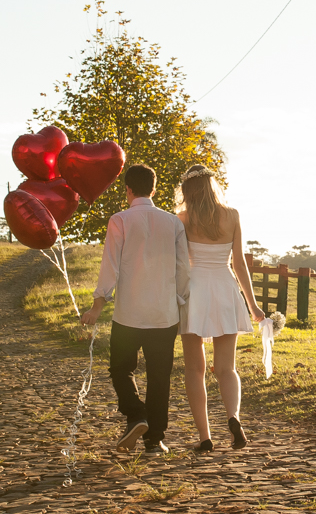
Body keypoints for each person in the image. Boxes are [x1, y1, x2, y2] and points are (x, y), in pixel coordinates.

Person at [80, 164, 190, 456]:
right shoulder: (173, 223)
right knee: (159, 377)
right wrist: (178, 302)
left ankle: (136, 414)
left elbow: (110, 267)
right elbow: (183, 269)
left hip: (128, 315)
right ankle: (155, 440)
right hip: (164, 315)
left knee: (120, 369)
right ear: (154, 189)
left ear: (127, 189)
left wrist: (96, 306)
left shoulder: (120, 220)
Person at [175, 164, 266, 452]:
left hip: (195, 291)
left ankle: (205, 437)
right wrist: (253, 306)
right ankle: (234, 417)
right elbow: (239, 264)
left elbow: (178, 265)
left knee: (195, 369)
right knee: (226, 368)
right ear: (213, 186)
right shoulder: (232, 216)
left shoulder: (181, 219)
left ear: (187, 190)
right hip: (226, 288)